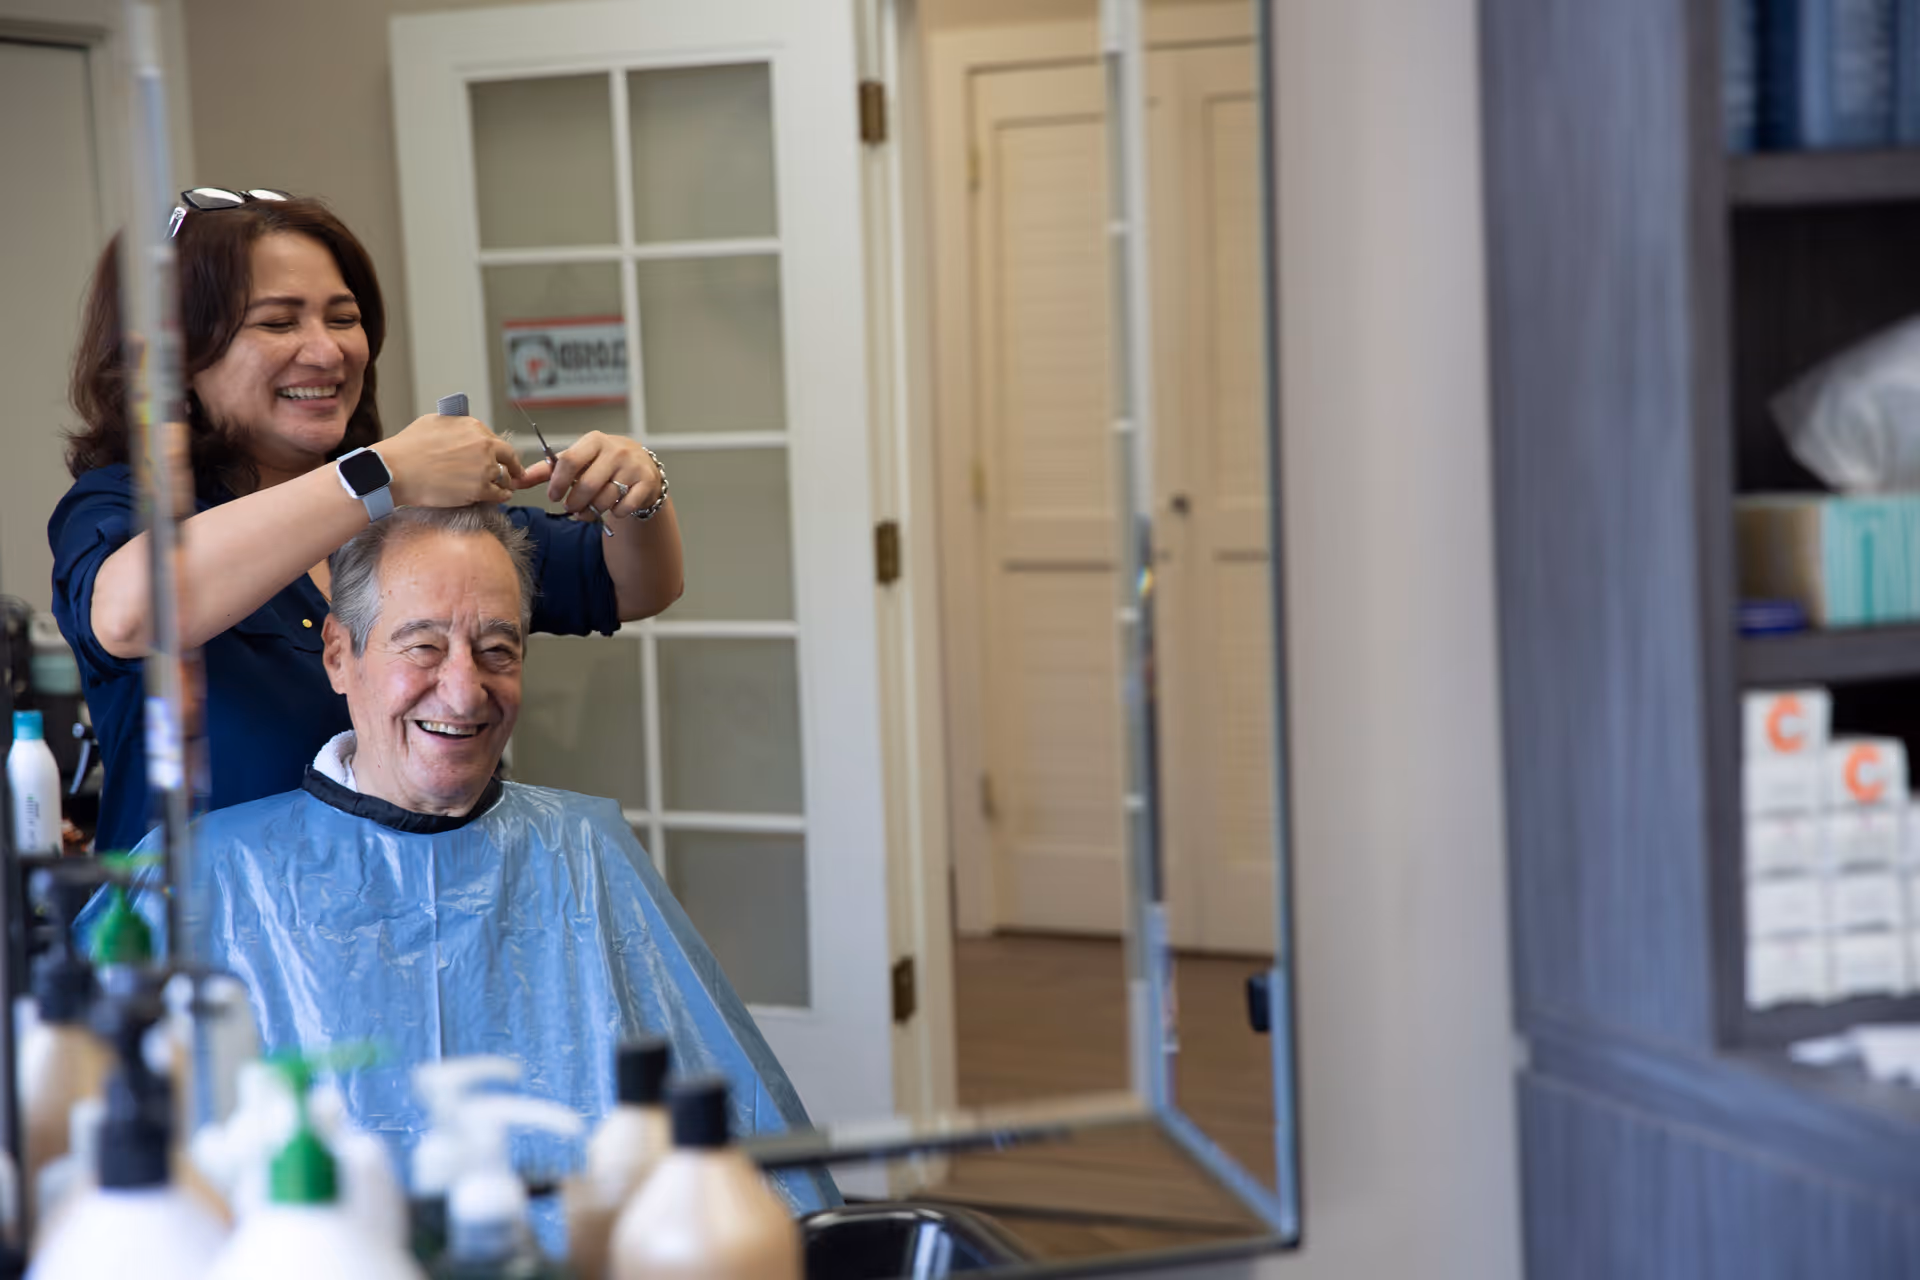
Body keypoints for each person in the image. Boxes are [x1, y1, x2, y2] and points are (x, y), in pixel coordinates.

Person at [140, 504, 826, 1209]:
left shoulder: (585, 851)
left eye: (498, 649)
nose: (466, 691)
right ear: (340, 655)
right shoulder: (205, 873)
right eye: (424, 647)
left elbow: (751, 1167)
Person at [49, 190, 683, 853]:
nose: (326, 352)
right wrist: (383, 475)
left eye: (343, 318)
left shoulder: (409, 512)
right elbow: (130, 615)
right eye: (277, 323)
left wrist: (635, 489)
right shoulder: (125, 503)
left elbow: (634, 585)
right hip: (210, 937)